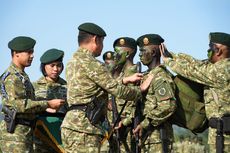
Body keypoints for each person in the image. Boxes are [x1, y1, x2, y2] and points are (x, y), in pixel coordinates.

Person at [61, 22, 153, 153]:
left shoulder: (73, 62)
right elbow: (117, 90)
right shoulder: (92, 64)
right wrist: (140, 90)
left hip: (71, 125)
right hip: (85, 128)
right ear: (95, 39)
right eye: (102, 42)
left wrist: (124, 79)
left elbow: (93, 84)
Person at [160, 32, 230, 153]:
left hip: (225, 137)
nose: (208, 51)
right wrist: (173, 55)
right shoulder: (219, 67)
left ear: (218, 51)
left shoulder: (222, 70)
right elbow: (197, 63)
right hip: (220, 133)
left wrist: (169, 62)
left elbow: (193, 70)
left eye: (210, 48)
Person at [0, 36, 65, 152]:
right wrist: (48, 104)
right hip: (15, 136)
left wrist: (44, 109)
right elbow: (18, 105)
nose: (32, 55)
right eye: (29, 52)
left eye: (32, 52)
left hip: (25, 133)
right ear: (16, 54)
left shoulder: (21, 76)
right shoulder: (12, 77)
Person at [133, 34, 177, 153]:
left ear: (153, 52)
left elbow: (168, 106)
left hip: (158, 138)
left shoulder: (160, 76)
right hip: (147, 138)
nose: (140, 55)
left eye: (143, 51)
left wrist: (145, 124)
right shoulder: (146, 75)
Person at [33, 48, 67, 153]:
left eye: (59, 65)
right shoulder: (34, 87)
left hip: (62, 134)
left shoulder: (67, 86)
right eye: (52, 66)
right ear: (44, 67)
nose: (56, 69)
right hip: (40, 135)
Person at [112, 37, 139, 153]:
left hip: (129, 131)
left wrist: (124, 122)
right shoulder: (120, 76)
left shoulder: (136, 75)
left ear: (127, 54)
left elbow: (138, 106)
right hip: (117, 131)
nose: (114, 56)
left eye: (117, 53)